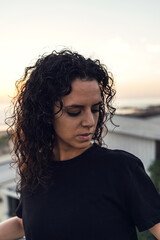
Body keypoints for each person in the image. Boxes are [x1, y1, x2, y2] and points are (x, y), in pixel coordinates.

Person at [0, 49, 160, 240]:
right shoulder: (36, 171)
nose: (90, 121)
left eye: (95, 109)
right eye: (75, 111)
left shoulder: (120, 168)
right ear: (45, 114)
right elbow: (23, 223)